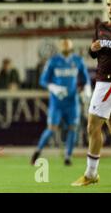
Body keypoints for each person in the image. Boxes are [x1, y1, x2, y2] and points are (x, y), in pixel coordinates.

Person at [72, 0, 111, 186]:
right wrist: (93, 48)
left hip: (110, 83)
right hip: (104, 82)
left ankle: (91, 174)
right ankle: (91, 174)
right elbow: (93, 53)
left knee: (92, 126)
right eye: (109, 4)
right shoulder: (101, 27)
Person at [30, 38, 91, 166]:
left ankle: (68, 156)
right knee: (51, 129)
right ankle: (37, 151)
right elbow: (43, 80)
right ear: (60, 47)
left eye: (67, 45)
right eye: (63, 45)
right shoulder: (53, 61)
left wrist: (86, 90)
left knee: (73, 128)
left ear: (71, 46)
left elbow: (86, 80)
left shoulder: (78, 61)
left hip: (72, 101)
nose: (66, 48)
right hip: (57, 102)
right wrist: (53, 87)